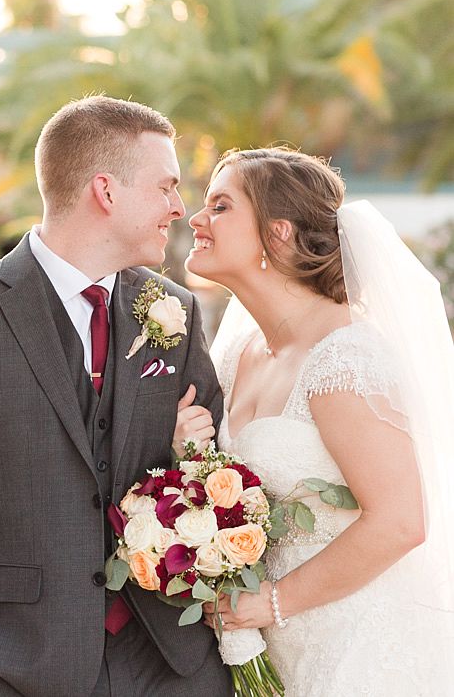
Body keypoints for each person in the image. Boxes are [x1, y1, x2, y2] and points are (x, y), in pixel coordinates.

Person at [0, 95, 232, 696]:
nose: (179, 208)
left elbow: (211, 473)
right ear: (106, 191)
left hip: (169, 660)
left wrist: (186, 451)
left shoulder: (174, 311)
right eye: (166, 187)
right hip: (17, 662)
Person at [175, 146, 454, 695]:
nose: (196, 219)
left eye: (221, 206)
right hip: (276, 646)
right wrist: (188, 449)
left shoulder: (344, 357)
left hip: (360, 646)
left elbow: (401, 522)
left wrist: (271, 602)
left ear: (277, 234)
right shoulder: (240, 352)